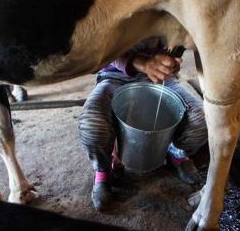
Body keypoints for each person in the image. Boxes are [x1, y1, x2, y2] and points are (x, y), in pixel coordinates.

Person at [78, 37, 208, 211]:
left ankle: (175, 150)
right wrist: (143, 63)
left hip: (160, 79)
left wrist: (169, 63)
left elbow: (176, 41)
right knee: (92, 125)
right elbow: (97, 50)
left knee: (201, 119)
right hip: (113, 77)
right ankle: (103, 169)